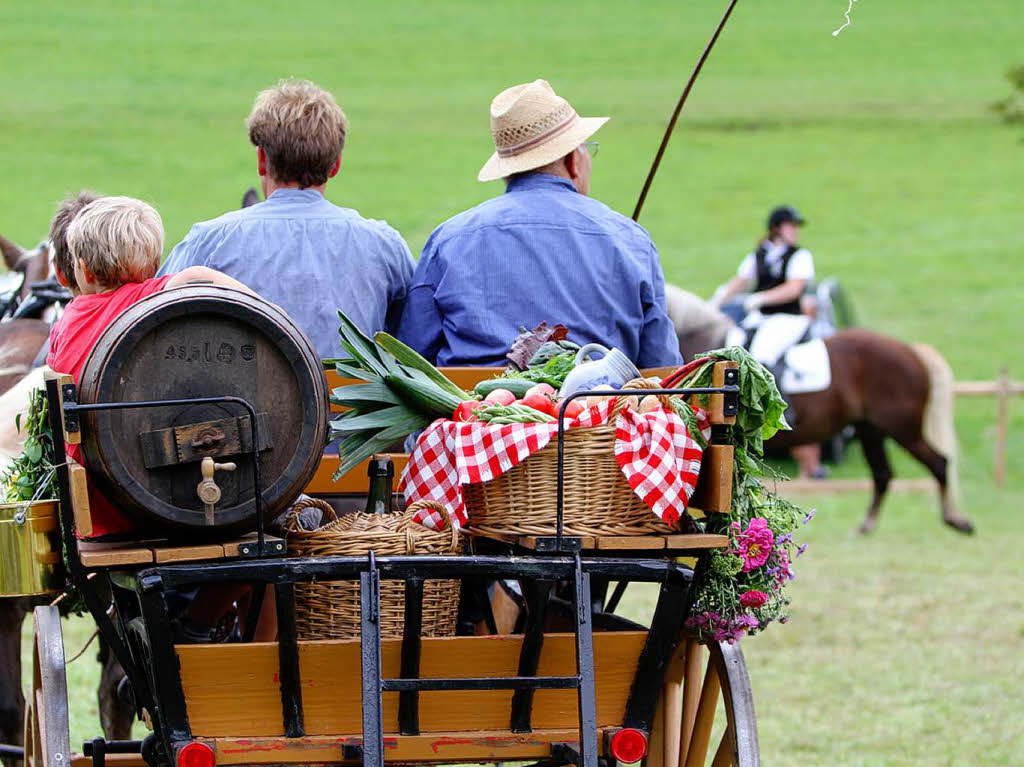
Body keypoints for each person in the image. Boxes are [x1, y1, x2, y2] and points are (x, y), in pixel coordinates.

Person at [397, 79, 681, 368]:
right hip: (596, 409)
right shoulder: (630, 239)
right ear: (572, 160)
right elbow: (662, 367)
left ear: (507, 170)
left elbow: (410, 359)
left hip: (473, 411)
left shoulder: (449, 239)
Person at [159, 78, 415, 359]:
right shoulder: (385, 246)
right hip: (350, 403)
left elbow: (148, 326)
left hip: (244, 402)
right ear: (336, 165)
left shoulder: (209, 242)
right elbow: (413, 345)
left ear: (261, 160)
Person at [47, 196, 255, 537]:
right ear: (156, 263)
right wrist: (272, 315)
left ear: (82, 270)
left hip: (100, 511)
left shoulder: (66, 325)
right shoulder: (153, 297)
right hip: (173, 500)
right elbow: (199, 275)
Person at [713, 205, 825, 478]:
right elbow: (741, 281)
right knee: (731, 349)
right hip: (759, 319)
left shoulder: (800, 256)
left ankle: (781, 412)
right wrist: (718, 299)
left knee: (762, 356)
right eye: (791, 226)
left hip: (787, 319)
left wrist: (761, 299)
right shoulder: (760, 253)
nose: (795, 231)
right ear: (777, 228)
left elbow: (794, 288)